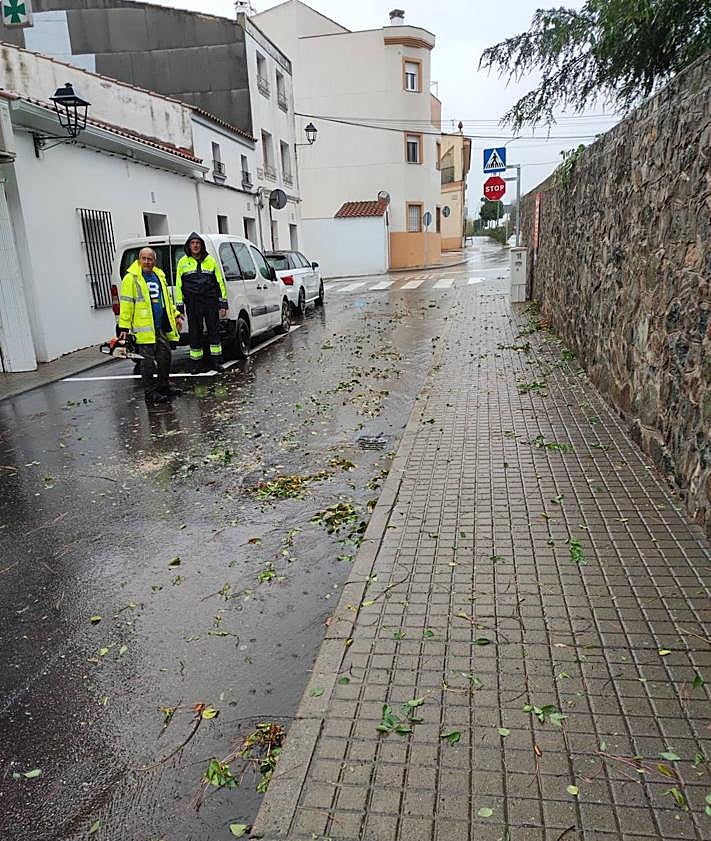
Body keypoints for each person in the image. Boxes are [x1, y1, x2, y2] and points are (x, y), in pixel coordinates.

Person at [117, 247, 183, 404]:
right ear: (139, 260)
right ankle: (150, 392)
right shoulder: (131, 278)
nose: (147, 262)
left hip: (160, 327)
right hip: (144, 329)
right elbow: (126, 304)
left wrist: (176, 314)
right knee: (147, 363)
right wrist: (124, 327)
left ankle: (164, 386)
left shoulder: (159, 275)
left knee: (165, 357)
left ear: (154, 261)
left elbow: (166, 300)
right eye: (144, 258)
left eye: (150, 259)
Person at [175, 233, 228, 373]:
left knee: (214, 331)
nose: (195, 245)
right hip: (192, 302)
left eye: (198, 243)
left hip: (210, 301)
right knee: (194, 333)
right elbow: (178, 285)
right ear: (188, 246)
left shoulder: (210, 260)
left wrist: (223, 304)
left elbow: (219, 282)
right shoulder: (182, 262)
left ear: (202, 245)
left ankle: (216, 361)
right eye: (192, 243)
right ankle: (196, 364)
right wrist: (179, 308)